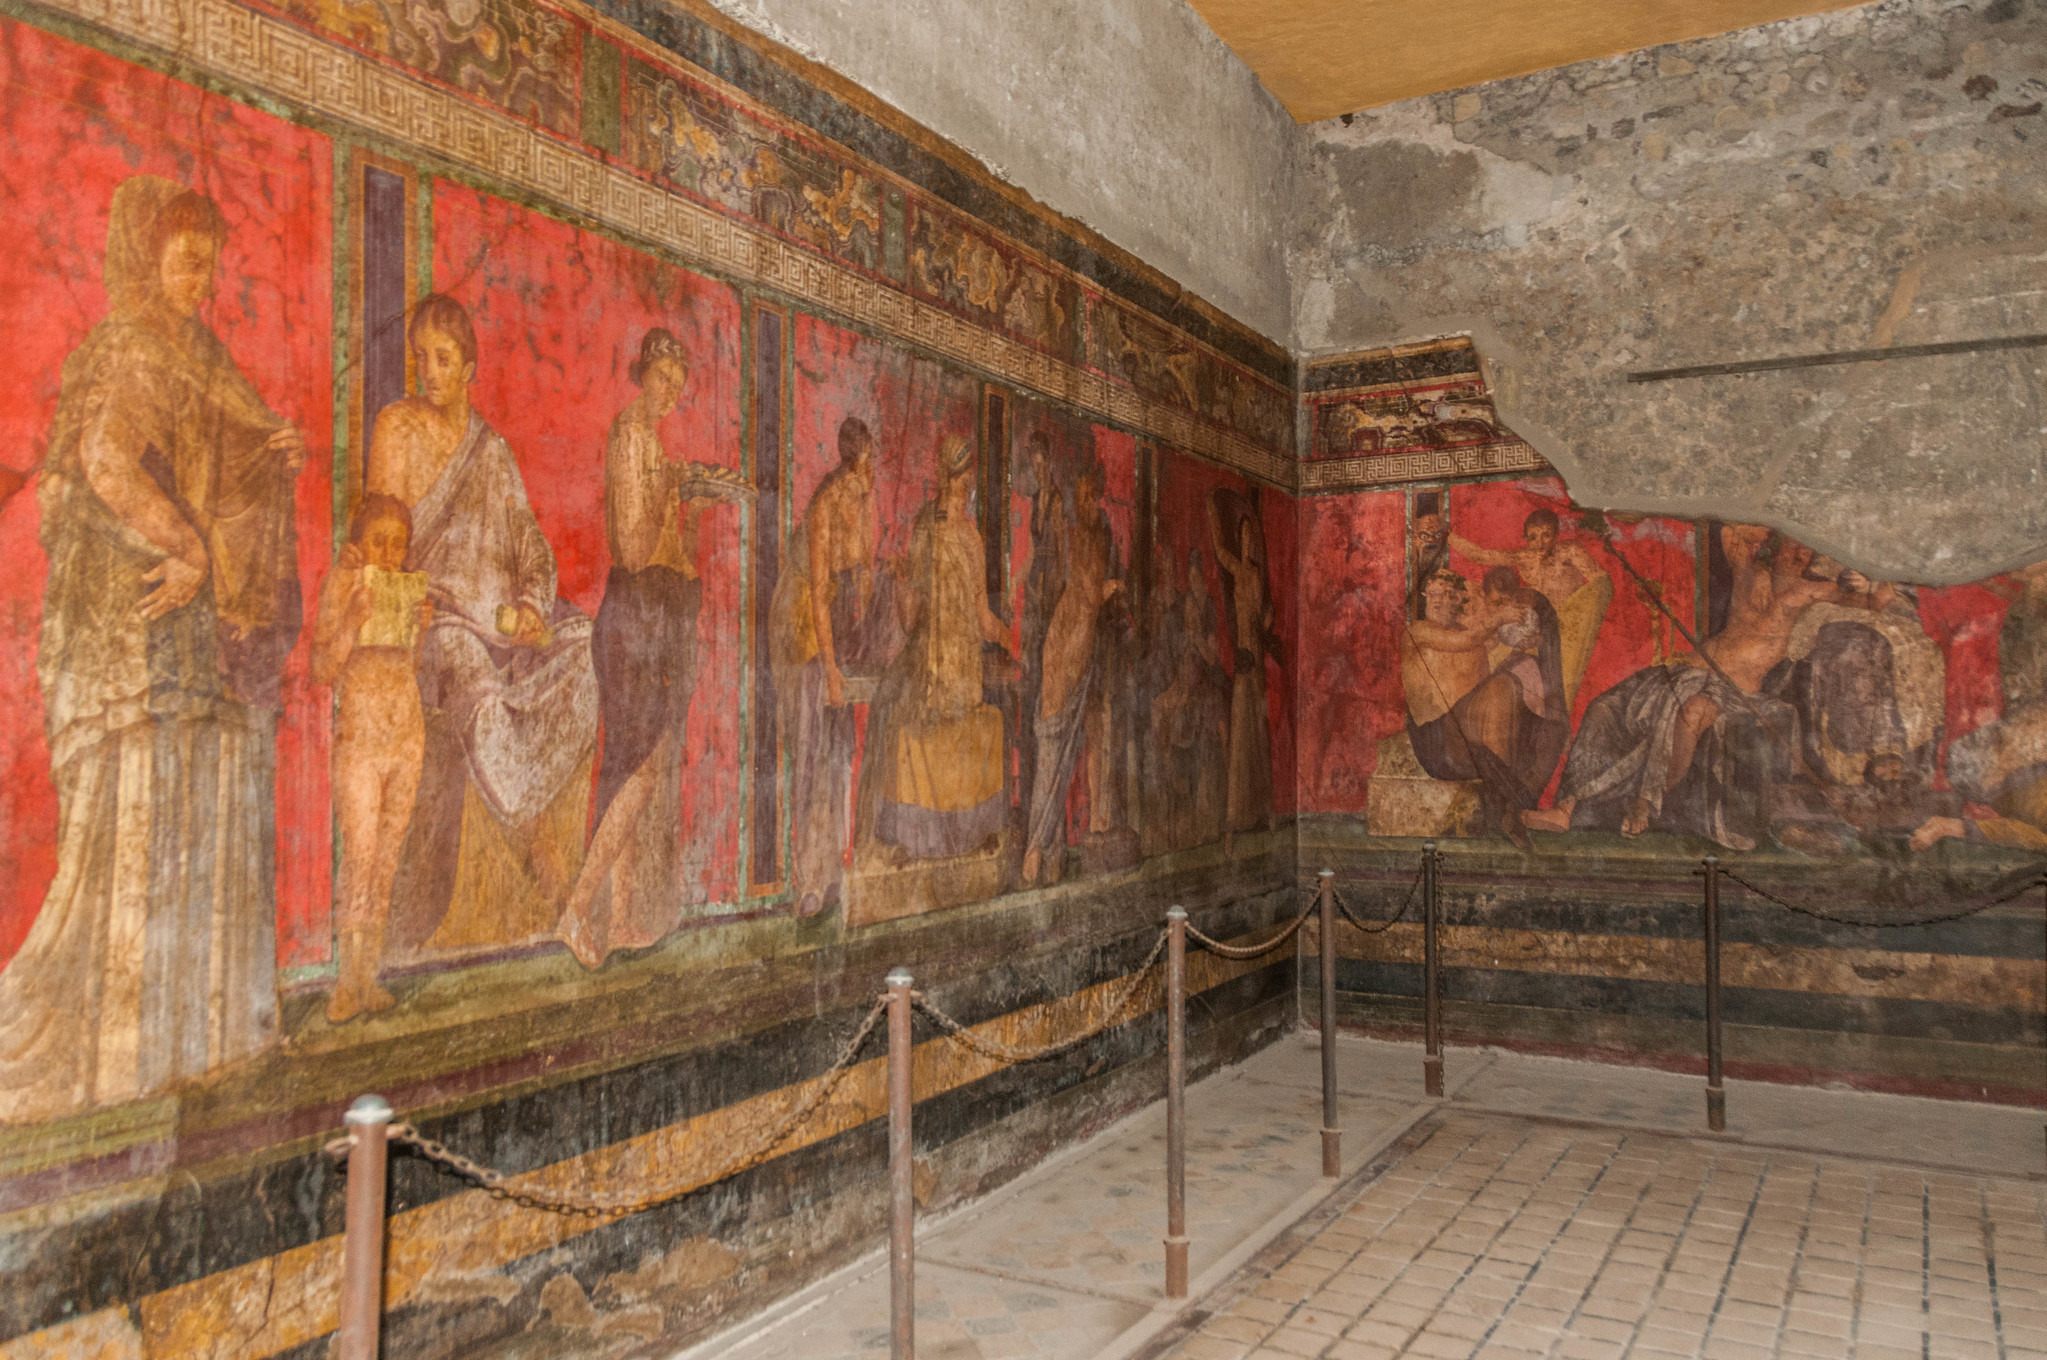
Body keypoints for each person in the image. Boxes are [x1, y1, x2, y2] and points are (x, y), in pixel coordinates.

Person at [0, 178, 308, 1120]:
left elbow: (229, 454)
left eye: (208, 264)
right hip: (139, 611)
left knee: (206, 799)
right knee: (149, 809)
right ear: (146, 259)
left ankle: (210, 1037)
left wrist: (274, 452)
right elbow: (100, 464)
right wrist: (183, 547)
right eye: (184, 261)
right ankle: (128, 1053)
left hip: (201, 620)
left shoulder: (201, 352)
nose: (198, 279)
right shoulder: (129, 349)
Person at [371, 293, 599, 950]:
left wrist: (531, 605)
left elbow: (527, 539)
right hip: (436, 621)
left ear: (470, 367)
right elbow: (381, 531)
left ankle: (545, 874)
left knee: (581, 642)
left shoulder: (492, 451)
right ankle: (553, 884)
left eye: (443, 359)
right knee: (475, 683)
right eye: (421, 359)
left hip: (498, 622)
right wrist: (395, 605)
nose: (429, 373)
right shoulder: (398, 428)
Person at [559, 330, 749, 967]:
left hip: (657, 621)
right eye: (662, 378)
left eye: (678, 382)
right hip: (634, 623)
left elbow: (678, 561)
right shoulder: (630, 436)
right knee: (634, 773)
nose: (670, 392)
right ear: (642, 375)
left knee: (646, 766)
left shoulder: (654, 445)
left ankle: (619, 922)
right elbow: (635, 552)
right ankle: (577, 908)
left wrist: (691, 504)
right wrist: (675, 487)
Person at [1526, 525, 1839, 851]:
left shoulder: (1804, 592)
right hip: (1683, 671)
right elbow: (1730, 533)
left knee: (1687, 713)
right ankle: (1566, 808)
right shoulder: (1748, 573)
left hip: (1729, 689)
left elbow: (1864, 597)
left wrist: (1870, 589)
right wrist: (1759, 524)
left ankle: (1647, 803)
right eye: (1794, 543)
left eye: (1807, 549)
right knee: (1604, 706)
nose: (1801, 552)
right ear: (1774, 545)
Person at [863, 433, 1014, 861]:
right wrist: (898, 581)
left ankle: (966, 832)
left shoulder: (971, 537)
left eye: (965, 477)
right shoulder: (928, 527)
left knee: (979, 727)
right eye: (959, 476)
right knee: (910, 729)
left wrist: (1006, 635)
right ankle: (916, 838)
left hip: (961, 666)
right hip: (932, 663)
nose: (962, 485)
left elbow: (981, 614)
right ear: (950, 477)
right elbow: (911, 604)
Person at [312, 493, 432, 1021]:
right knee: (359, 856)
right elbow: (322, 667)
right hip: (361, 738)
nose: (389, 552)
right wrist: (351, 621)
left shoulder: (406, 589)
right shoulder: (343, 584)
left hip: (406, 733)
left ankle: (369, 974)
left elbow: (414, 666)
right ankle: (345, 982)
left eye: (398, 544)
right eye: (379, 541)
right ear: (359, 542)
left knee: (386, 860)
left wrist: (421, 631)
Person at [775, 416, 899, 915]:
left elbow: (862, 581)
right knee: (812, 752)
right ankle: (810, 878)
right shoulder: (826, 508)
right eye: (869, 465)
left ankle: (834, 871)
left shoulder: (864, 504)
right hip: (805, 633)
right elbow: (821, 598)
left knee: (838, 751)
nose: (873, 476)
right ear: (856, 465)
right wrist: (829, 668)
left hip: (838, 633)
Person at [1401, 569, 1567, 847]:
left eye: (1452, 595)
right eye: (1437, 594)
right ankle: (1506, 804)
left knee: (1531, 683)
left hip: (1471, 737)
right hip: (1438, 739)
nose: (1445, 601)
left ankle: (1513, 806)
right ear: (1424, 595)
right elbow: (1465, 641)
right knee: (1502, 688)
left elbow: (1497, 637)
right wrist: (1500, 617)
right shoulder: (1418, 632)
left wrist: (1528, 634)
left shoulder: (1474, 635)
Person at [1022, 461, 1122, 885]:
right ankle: (1039, 849)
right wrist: (1107, 591)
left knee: (1060, 753)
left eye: (1086, 496)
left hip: (1076, 652)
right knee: (1052, 750)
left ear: (1096, 496)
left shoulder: (1095, 536)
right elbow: (1083, 594)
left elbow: (1088, 596)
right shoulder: (1082, 537)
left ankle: (1045, 850)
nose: (1081, 504)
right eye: (1078, 496)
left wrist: (1108, 591)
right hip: (1063, 650)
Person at [1450, 506, 1612, 706]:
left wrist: (1578, 614)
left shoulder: (1570, 551)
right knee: (1493, 668)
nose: (1540, 542)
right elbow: (1481, 556)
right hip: (1535, 625)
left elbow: (1601, 582)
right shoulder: (1524, 558)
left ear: (1556, 535)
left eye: (1546, 535)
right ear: (1525, 537)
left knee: (1559, 686)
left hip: (1569, 627)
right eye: (1533, 537)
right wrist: (1448, 536)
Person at [1210, 490, 1274, 845]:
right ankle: (1239, 813)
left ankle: (1260, 809)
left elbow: (1265, 617)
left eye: (1252, 540)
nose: (1248, 545)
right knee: (1242, 730)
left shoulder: (1257, 577)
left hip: (1256, 658)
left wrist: (1267, 619)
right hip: (1245, 657)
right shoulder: (1239, 570)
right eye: (1244, 538)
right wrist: (1212, 513)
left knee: (1256, 732)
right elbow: (1220, 551)